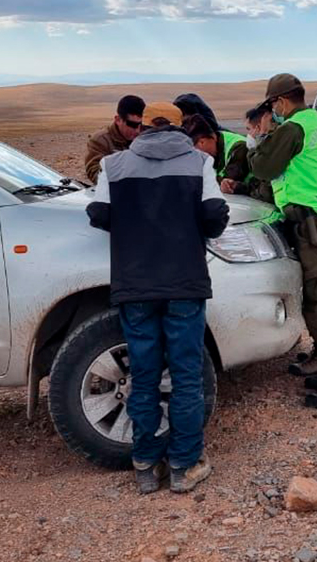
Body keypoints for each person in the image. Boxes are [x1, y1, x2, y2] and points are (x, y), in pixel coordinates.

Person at [86, 101, 229, 494]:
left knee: (143, 376)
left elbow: (98, 214)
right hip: (185, 283)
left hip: (136, 286)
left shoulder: (112, 165)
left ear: (144, 126)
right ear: (180, 127)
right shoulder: (199, 163)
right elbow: (215, 216)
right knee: (185, 375)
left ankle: (145, 463)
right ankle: (184, 465)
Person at [248, 73, 317, 410]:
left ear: (280, 102)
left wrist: (261, 137)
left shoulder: (293, 128)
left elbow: (263, 169)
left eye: (272, 106)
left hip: (313, 225)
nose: (272, 112)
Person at [173, 93, 251, 194]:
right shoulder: (212, 144)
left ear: (202, 142)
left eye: (193, 149)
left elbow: (226, 184)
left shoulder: (239, 147)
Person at [85, 95, 145, 183]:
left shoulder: (146, 136)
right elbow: (95, 174)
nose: (138, 130)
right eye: (132, 125)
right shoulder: (100, 140)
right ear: (118, 120)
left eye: (141, 125)